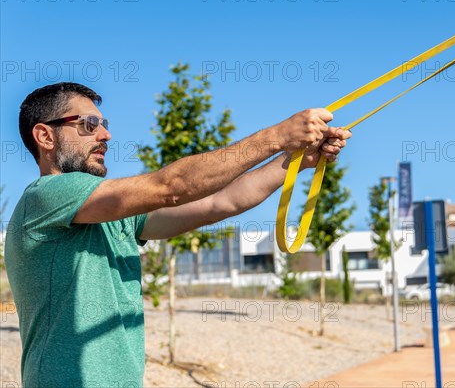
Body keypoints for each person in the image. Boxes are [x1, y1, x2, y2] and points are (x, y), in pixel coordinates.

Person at [4, 82, 351, 387]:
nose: (105, 135)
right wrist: (277, 135)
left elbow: (222, 201)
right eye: (89, 124)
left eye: (104, 124)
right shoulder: (46, 195)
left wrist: (296, 159)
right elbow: (172, 186)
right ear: (44, 136)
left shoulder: (111, 216)